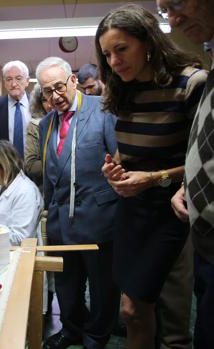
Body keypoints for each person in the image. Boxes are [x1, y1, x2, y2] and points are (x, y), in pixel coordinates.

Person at [96, 4, 207, 349]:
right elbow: (129, 151)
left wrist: (155, 177)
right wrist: (114, 168)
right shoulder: (122, 89)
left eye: (122, 49)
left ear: (149, 41)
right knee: (131, 311)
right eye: (107, 55)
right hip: (132, 209)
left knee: (167, 319)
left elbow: (201, 162)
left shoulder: (192, 83)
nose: (114, 62)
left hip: (174, 212)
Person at [37, 56, 120, 349]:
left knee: (102, 288)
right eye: (47, 91)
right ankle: (71, 330)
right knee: (66, 286)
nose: (55, 96)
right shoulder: (46, 124)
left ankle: (96, 335)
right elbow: (50, 173)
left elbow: (120, 165)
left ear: (73, 81)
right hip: (61, 221)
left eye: (59, 87)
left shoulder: (103, 111)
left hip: (98, 218)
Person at [158, 0, 214, 347]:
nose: (174, 19)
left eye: (177, 3)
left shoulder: (192, 81)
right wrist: (186, 183)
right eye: (166, 10)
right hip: (205, 239)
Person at [24, 83, 53, 189]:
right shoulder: (35, 125)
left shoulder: (74, 121)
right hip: (46, 189)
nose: (49, 104)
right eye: (44, 100)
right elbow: (31, 166)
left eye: (51, 97)